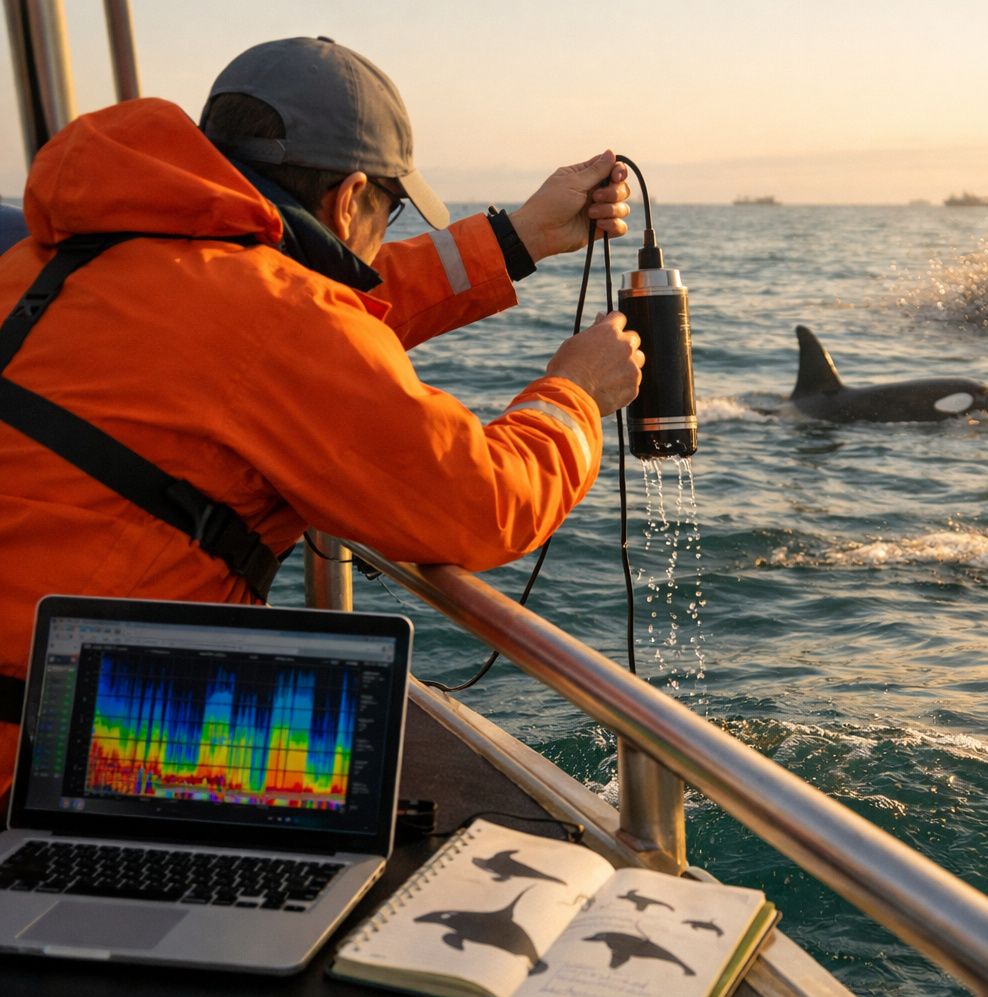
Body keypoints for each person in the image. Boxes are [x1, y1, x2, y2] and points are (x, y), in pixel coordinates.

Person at [0, 37, 645, 793]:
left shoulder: (63, 260)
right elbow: (481, 504)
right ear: (348, 200)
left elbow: (310, 315)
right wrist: (574, 394)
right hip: (46, 764)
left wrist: (517, 238)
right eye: (389, 210)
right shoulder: (274, 319)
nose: (384, 233)